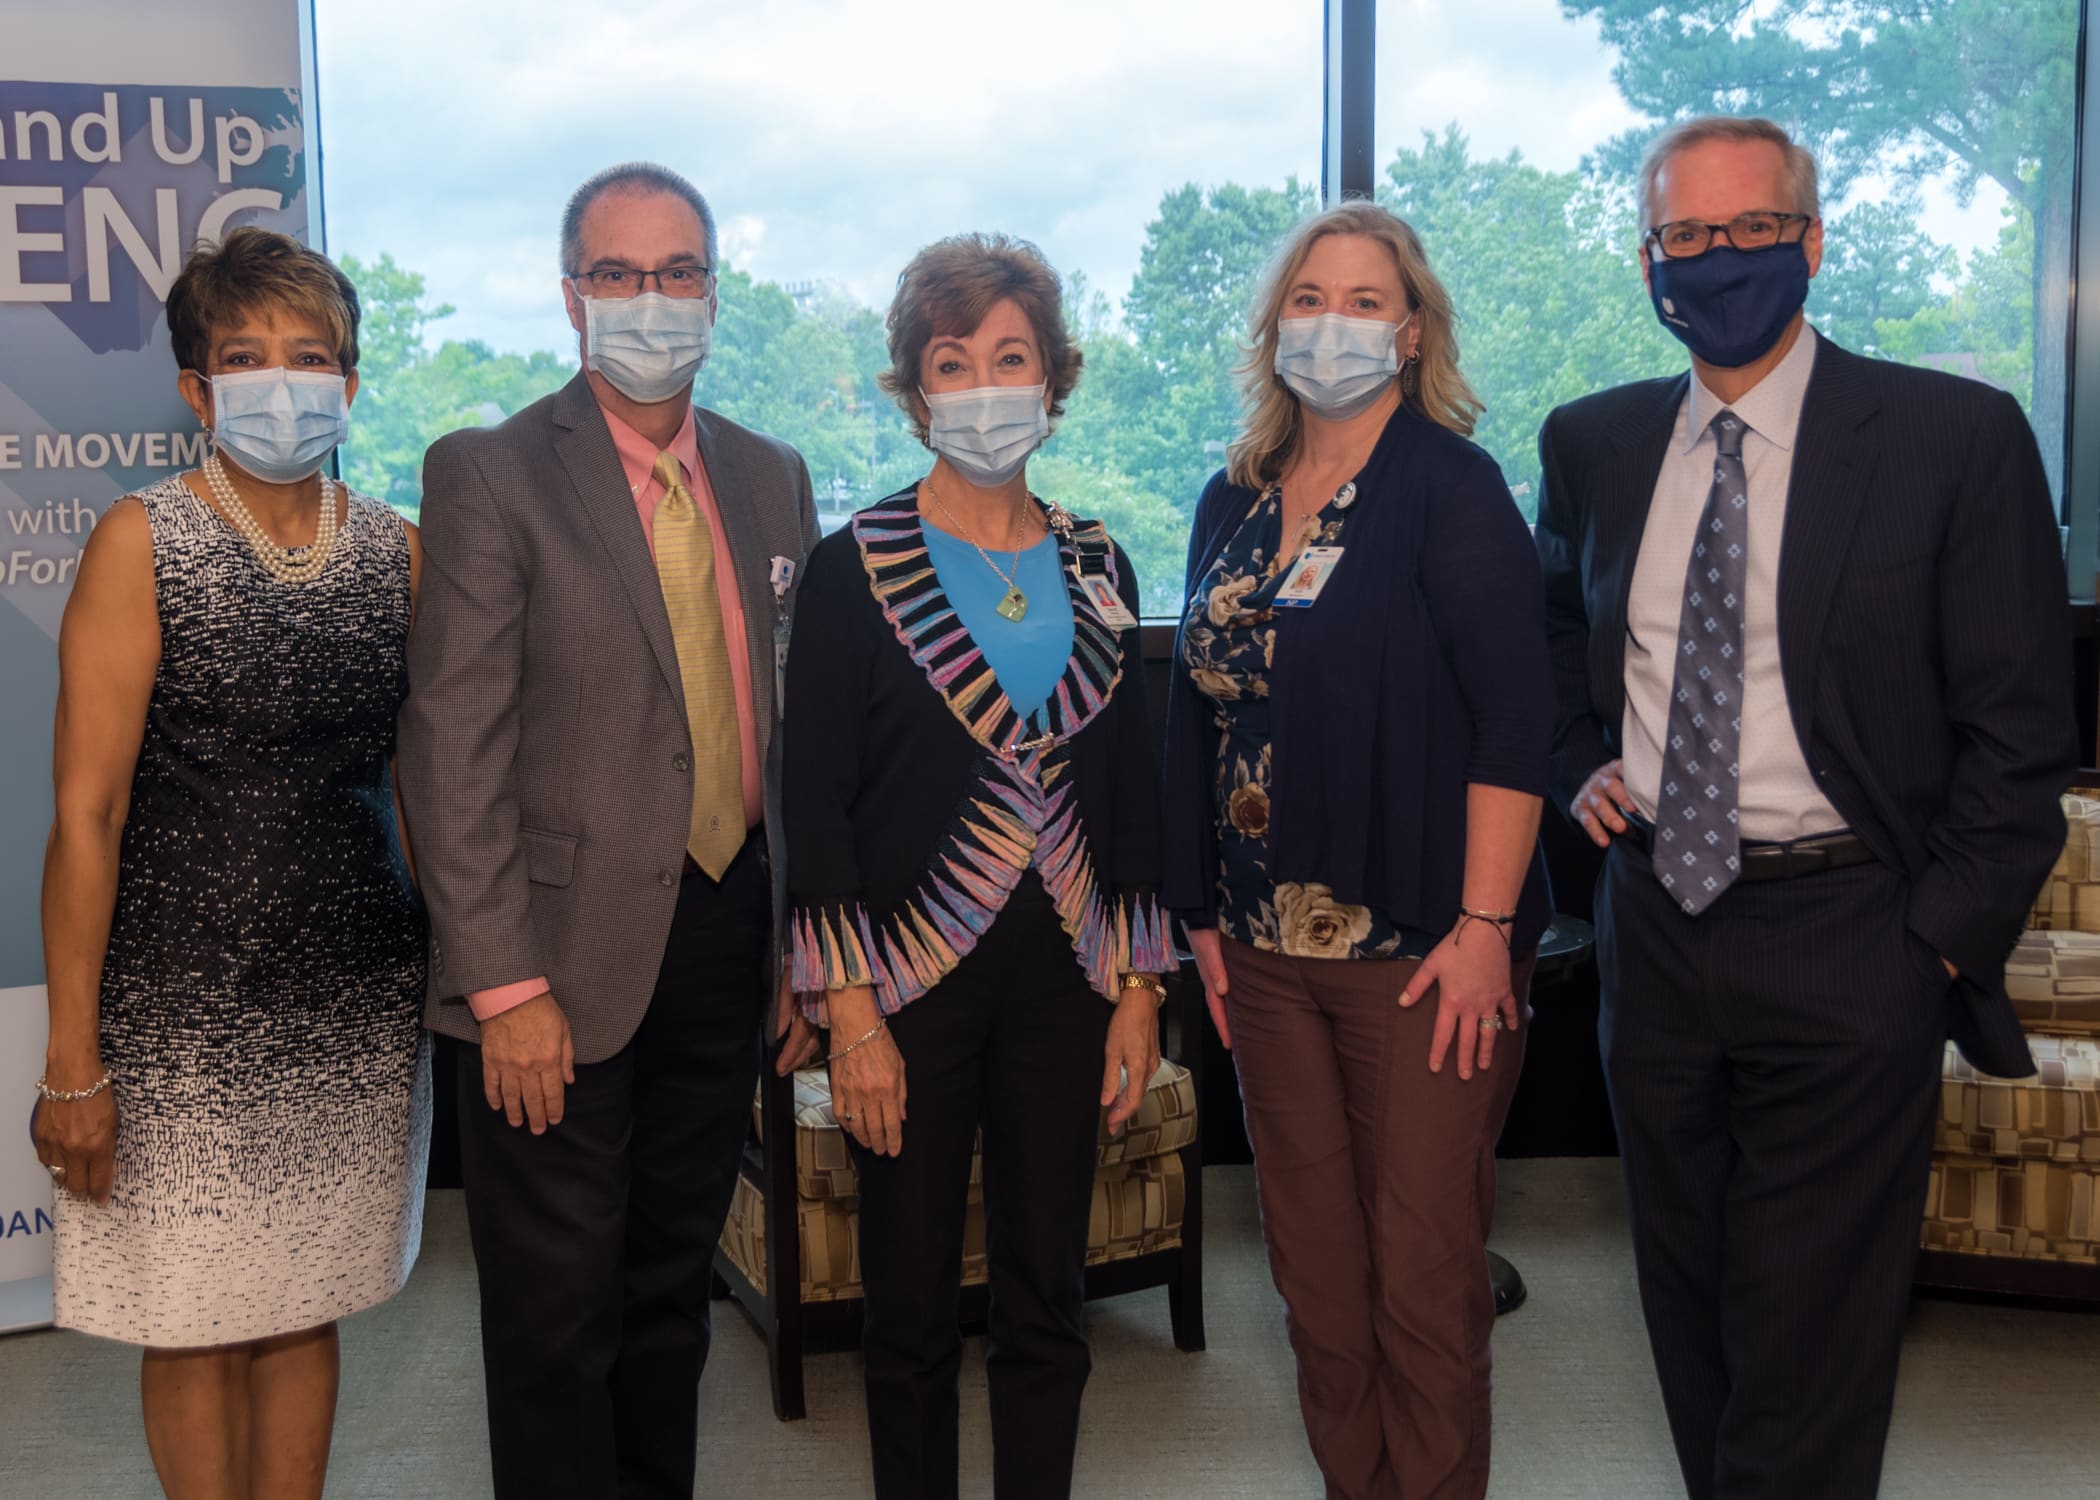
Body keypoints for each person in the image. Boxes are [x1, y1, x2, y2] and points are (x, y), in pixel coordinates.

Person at [1534, 116, 2077, 1499]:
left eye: (1751, 232)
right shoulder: (1593, 443)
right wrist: (1576, 754)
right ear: (1650, 259)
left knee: (1814, 1332)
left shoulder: (1954, 437)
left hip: (1859, 934)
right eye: (1686, 238)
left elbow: (2021, 733)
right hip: (1654, 928)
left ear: (1813, 243)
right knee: (1691, 1300)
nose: (1719, 262)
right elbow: (1548, 640)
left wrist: (1934, 948)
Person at [395, 162, 820, 1500]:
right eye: (622, 274)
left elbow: (791, 732)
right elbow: (449, 745)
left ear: (714, 290)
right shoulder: (491, 473)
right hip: (552, 962)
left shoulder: (771, 477)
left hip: (726, 933)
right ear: (573, 292)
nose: (654, 301)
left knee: (668, 1298)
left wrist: (799, 949)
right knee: (553, 1323)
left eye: (680, 272)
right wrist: (501, 983)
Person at [1160, 201, 1553, 1500]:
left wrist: (1489, 933)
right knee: (1317, 1289)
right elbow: (1193, 713)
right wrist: (1202, 924)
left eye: (1365, 299)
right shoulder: (1233, 493)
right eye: (1310, 298)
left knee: (1423, 1284)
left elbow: (1515, 723)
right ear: (1276, 327)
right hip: (1260, 964)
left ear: (1412, 327)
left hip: (1423, 957)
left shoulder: (1450, 488)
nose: (1334, 323)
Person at [34, 226, 427, 1499]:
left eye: (310, 355)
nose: (280, 379)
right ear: (197, 389)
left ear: (352, 385)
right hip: (179, 1005)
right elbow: (84, 817)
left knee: (306, 1300)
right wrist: (72, 1062)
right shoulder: (141, 542)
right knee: (194, 1312)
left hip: (352, 993)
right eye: (244, 355)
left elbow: (424, 784)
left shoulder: (401, 551)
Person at [784, 232, 1168, 1500]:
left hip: (1067, 983)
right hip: (905, 993)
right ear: (914, 391)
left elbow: (1129, 787)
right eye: (956, 362)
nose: (987, 386)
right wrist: (849, 1011)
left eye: (1013, 358)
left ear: (1055, 381)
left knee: (1047, 1300)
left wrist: (1138, 987)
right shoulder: (852, 570)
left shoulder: (1100, 560)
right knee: (903, 1319)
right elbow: (816, 798)